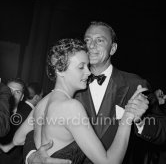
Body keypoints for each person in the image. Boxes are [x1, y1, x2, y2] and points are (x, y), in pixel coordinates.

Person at [25, 21, 166, 164]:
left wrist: (140, 121)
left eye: (99, 40)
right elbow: (35, 126)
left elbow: (162, 129)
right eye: (87, 40)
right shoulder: (70, 84)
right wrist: (31, 156)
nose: (91, 46)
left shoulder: (135, 84)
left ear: (113, 48)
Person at [0, 39, 148, 164]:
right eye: (81, 67)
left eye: (87, 66)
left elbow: (17, 139)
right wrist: (127, 118)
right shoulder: (71, 107)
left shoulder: (42, 103)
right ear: (60, 70)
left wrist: (32, 155)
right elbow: (109, 162)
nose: (88, 72)